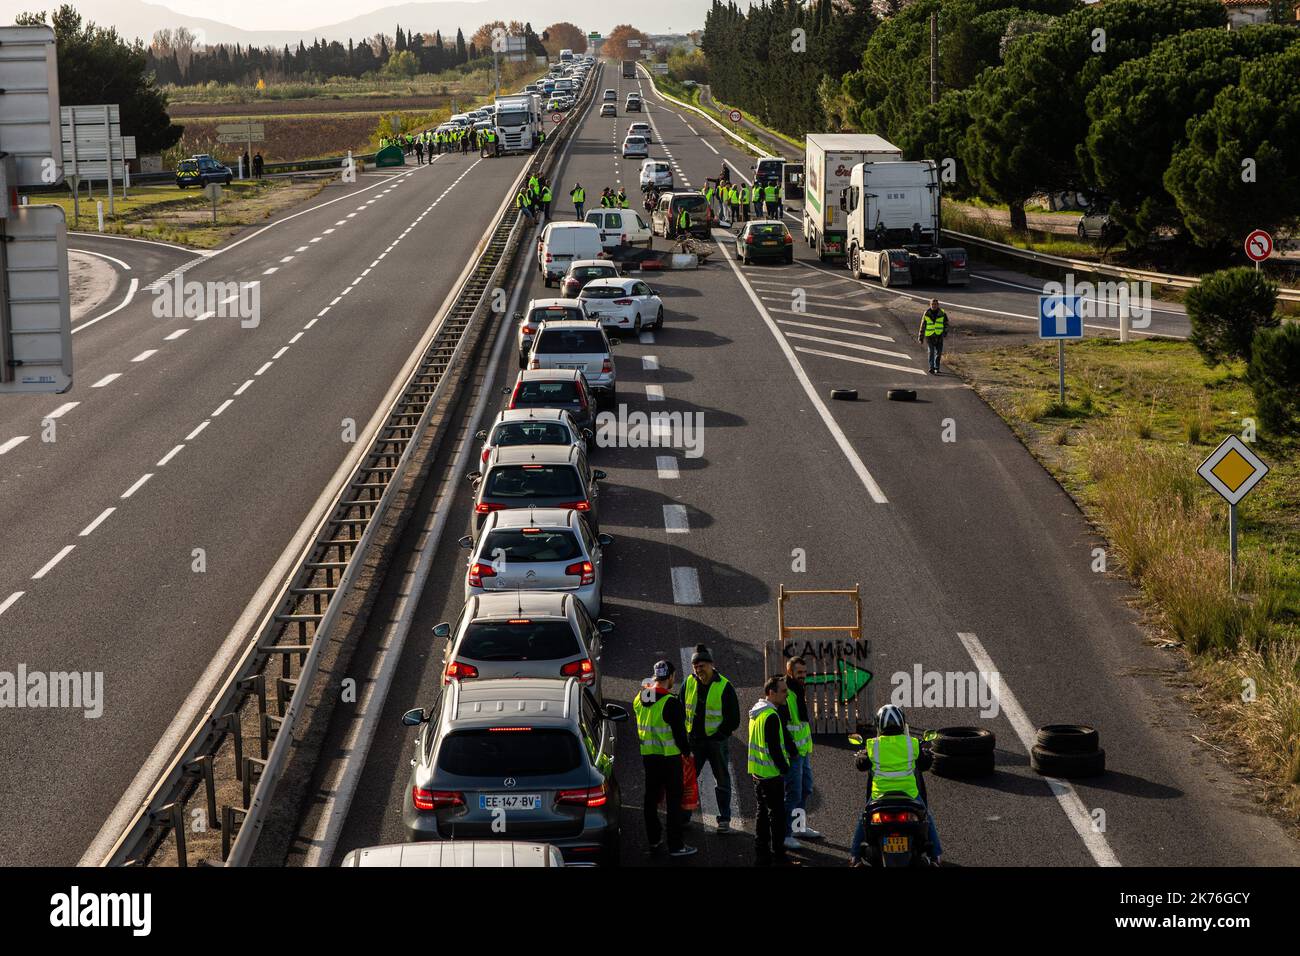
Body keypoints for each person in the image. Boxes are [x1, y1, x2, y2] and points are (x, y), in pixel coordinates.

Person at [849, 704, 942, 866]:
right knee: (926, 815)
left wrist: (860, 755)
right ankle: (935, 857)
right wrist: (927, 754)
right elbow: (925, 764)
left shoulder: (873, 745)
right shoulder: (911, 744)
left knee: (863, 817)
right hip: (910, 796)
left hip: (880, 797)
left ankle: (855, 857)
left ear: (879, 726)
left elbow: (861, 764)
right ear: (902, 723)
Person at [633, 660, 697, 857]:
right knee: (673, 802)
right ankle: (676, 845)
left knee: (650, 800)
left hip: (649, 758)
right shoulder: (671, 702)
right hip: (669, 759)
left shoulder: (640, 697)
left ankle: (654, 840)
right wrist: (688, 752)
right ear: (670, 677)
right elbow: (680, 735)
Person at [681, 645, 740, 832]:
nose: (699, 670)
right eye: (696, 667)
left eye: (702, 666)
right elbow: (680, 707)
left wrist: (720, 735)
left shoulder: (724, 686)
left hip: (716, 743)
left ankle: (724, 820)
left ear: (712, 665)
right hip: (694, 742)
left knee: (722, 781)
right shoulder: (689, 683)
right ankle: (684, 817)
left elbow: (734, 718)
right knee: (688, 781)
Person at [749, 675, 794, 866]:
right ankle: (779, 855)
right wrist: (784, 768)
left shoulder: (757, 712)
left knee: (762, 814)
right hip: (771, 774)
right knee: (776, 817)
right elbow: (775, 748)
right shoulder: (772, 716)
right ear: (771, 692)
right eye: (783, 691)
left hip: (758, 772)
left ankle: (762, 855)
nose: (786, 694)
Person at [781, 656, 821, 849]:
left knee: (805, 789)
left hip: (803, 751)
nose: (803, 676)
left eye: (805, 672)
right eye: (799, 673)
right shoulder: (786, 694)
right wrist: (792, 751)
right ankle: (785, 834)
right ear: (790, 672)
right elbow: (784, 726)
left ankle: (798, 826)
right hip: (793, 753)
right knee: (793, 793)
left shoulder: (797, 689)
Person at [918, 298, 949, 374]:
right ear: (930, 305)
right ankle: (931, 368)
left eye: (935, 304)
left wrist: (945, 332)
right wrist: (920, 337)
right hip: (929, 336)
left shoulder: (942, 313)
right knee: (931, 352)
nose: (934, 306)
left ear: (938, 305)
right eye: (932, 304)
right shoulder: (926, 313)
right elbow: (922, 326)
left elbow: (946, 324)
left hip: (939, 336)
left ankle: (937, 368)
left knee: (938, 353)